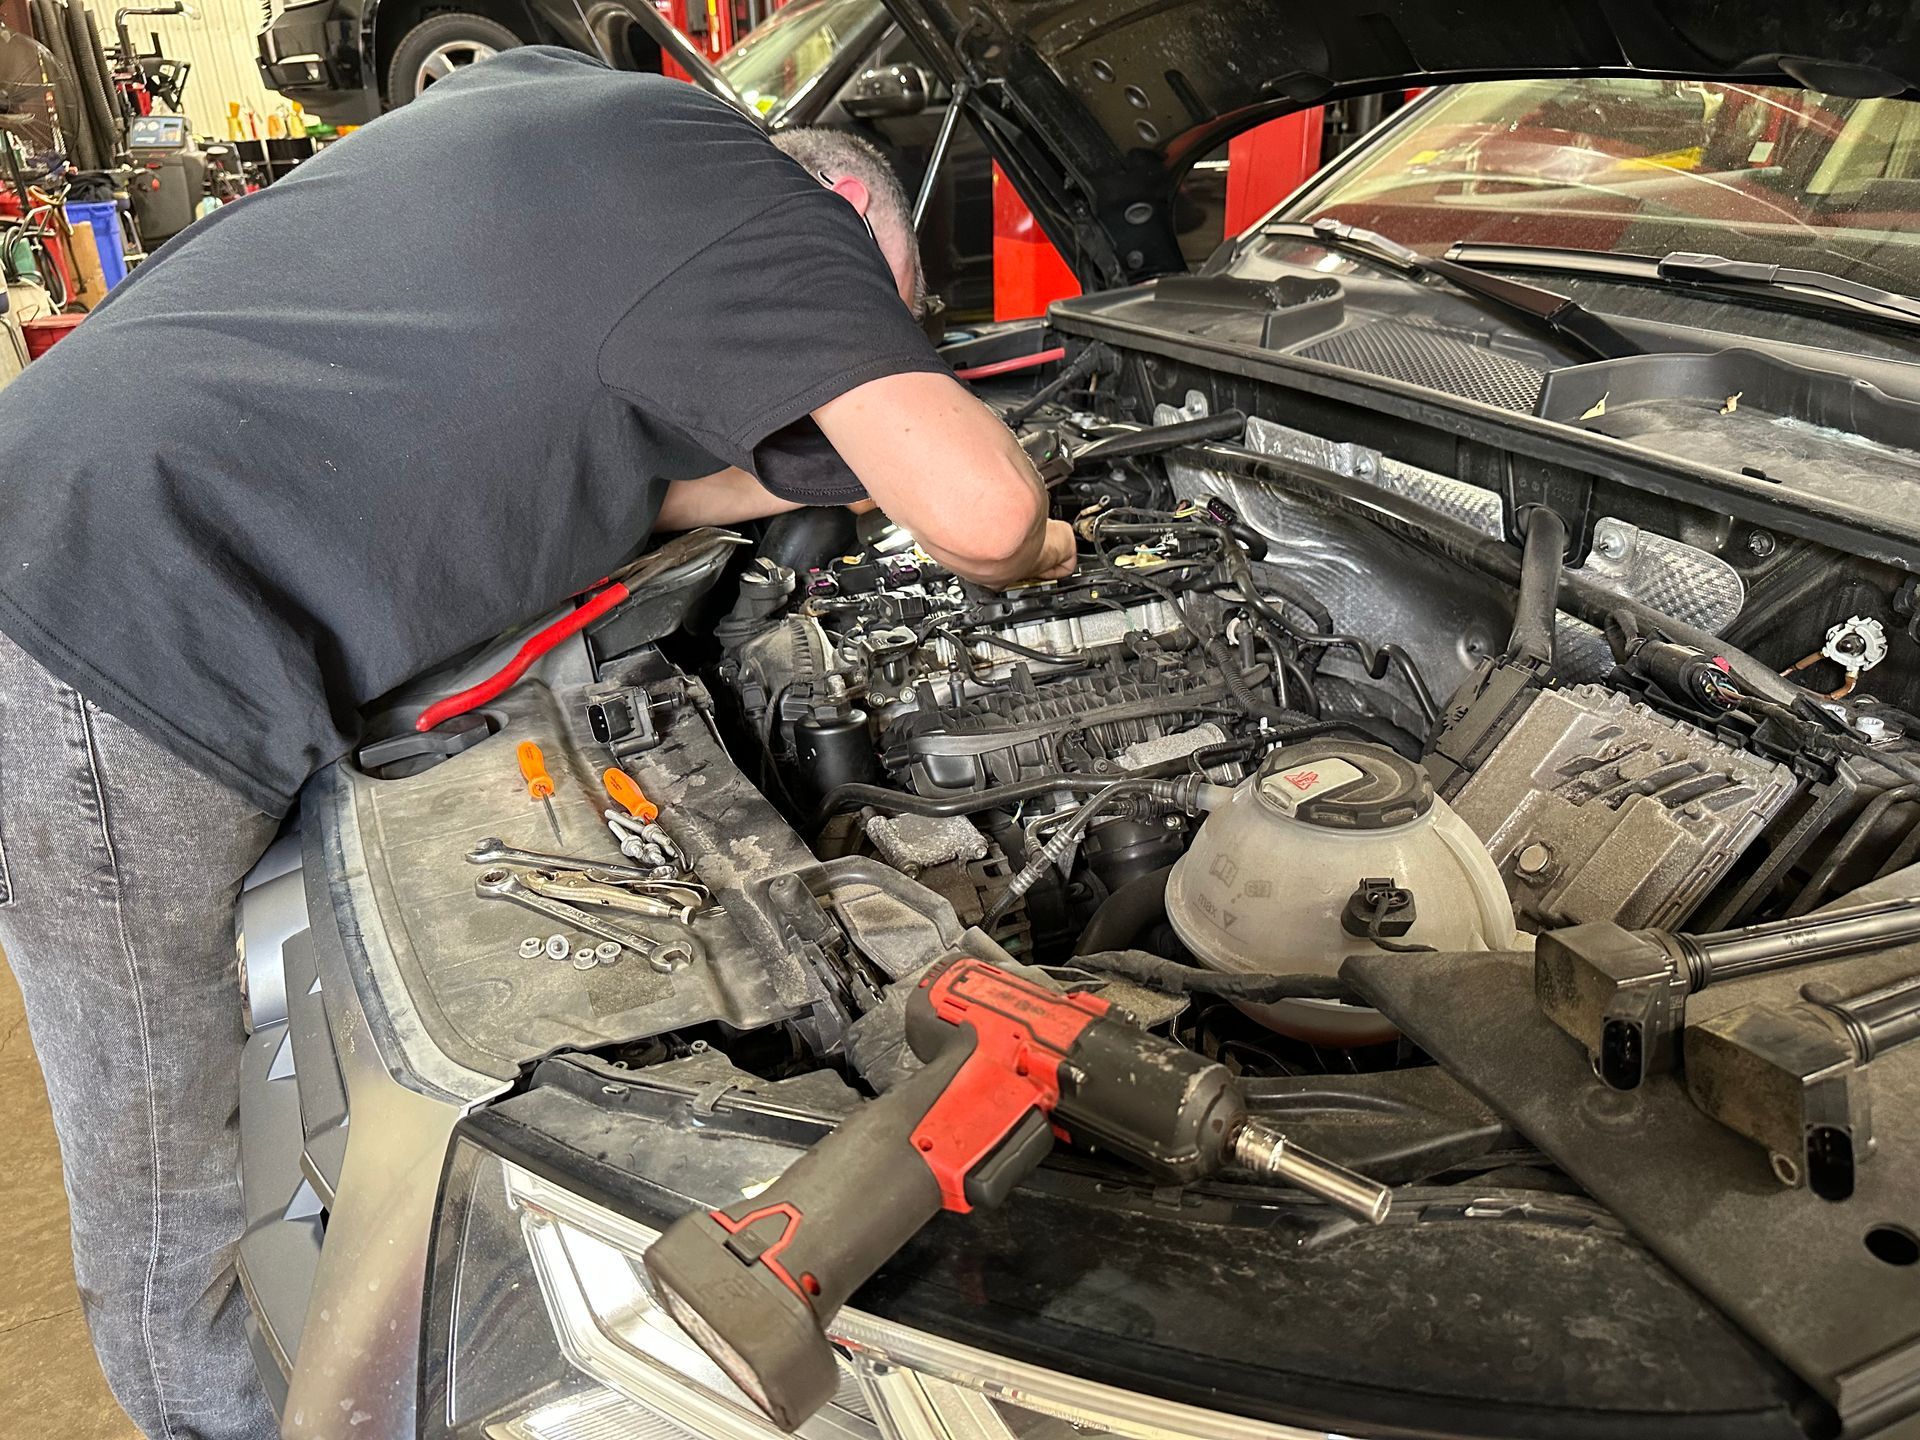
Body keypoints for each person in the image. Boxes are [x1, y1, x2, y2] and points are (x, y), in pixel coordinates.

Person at [0, 46, 1074, 1439]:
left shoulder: (560, 98)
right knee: (161, 1167)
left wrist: (811, 472)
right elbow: (985, 516)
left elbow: (612, 436)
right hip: (98, 641)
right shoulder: (786, 229)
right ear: (848, 241)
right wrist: (1041, 543)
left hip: (70, 505)